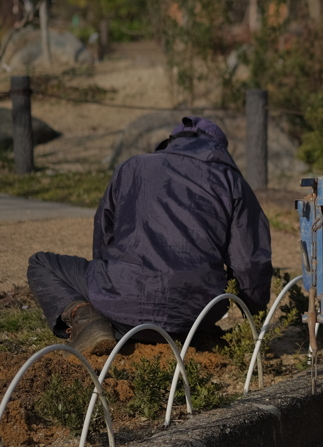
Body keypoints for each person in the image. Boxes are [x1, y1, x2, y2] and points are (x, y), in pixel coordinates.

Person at [27, 116, 273, 355]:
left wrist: (110, 292)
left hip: (122, 310)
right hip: (196, 318)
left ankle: (87, 316)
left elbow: (103, 234)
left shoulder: (132, 166)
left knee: (40, 263)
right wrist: (255, 321)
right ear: (218, 149)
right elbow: (250, 261)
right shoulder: (231, 180)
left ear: (172, 141)